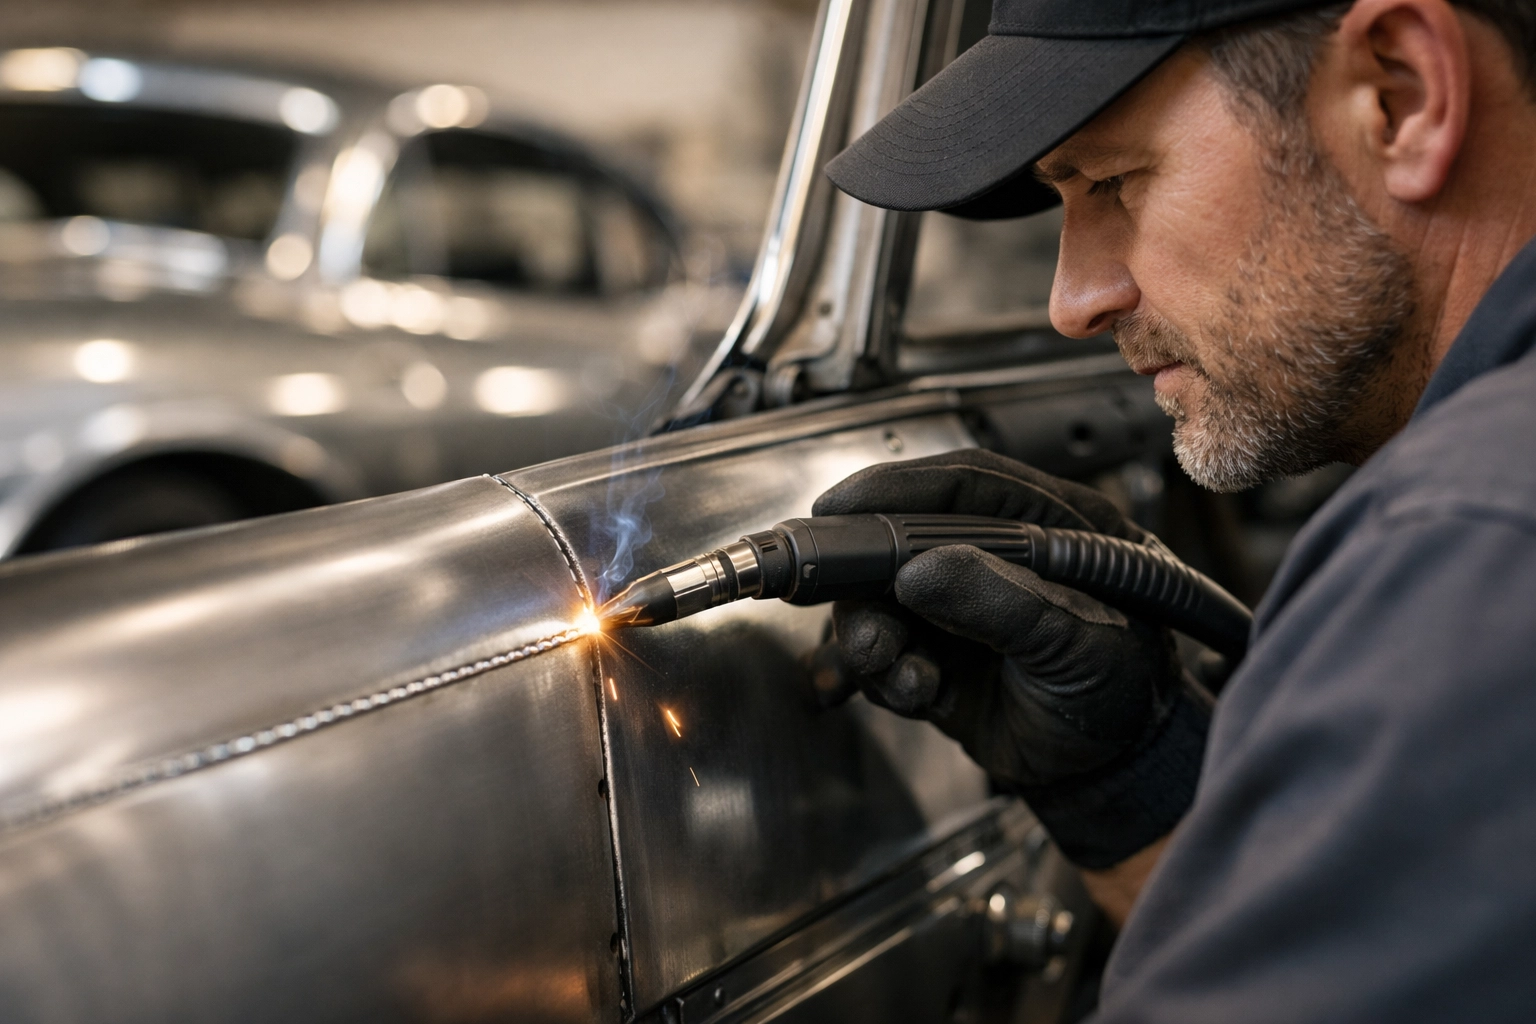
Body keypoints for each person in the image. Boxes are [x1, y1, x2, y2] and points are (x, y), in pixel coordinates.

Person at [819, 0, 1536, 1017]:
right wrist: (1131, 776)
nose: (1075, 298)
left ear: (1401, 96)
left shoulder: (1476, 546)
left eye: (1112, 180)